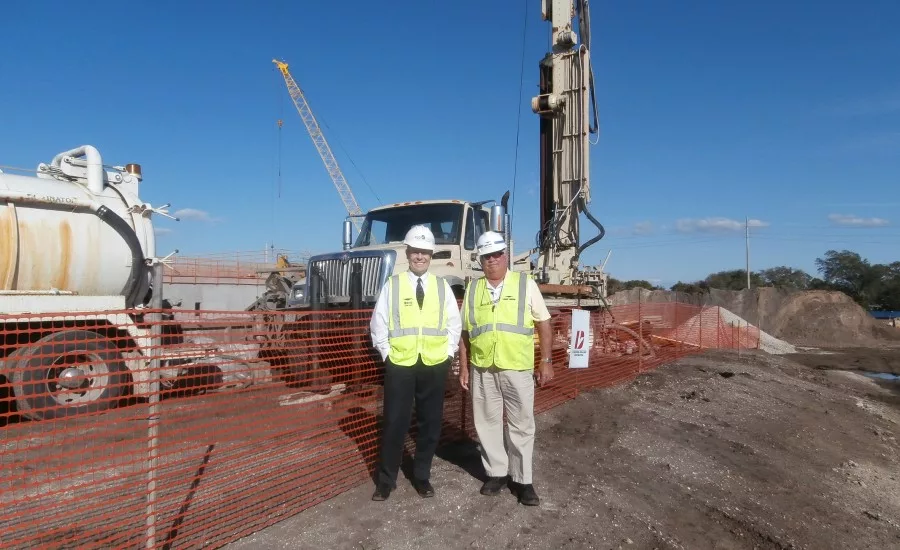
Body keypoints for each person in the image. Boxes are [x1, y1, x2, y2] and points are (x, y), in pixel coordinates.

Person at [457, 231, 554, 506]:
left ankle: (522, 480)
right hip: (483, 367)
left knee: (521, 424)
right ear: (481, 260)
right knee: (486, 423)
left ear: (506, 255)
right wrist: (464, 367)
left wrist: (546, 362)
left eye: (497, 254)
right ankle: (496, 473)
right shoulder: (473, 288)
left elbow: (543, 323)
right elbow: (466, 333)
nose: (492, 260)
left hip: (517, 367)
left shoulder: (525, 284)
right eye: (487, 256)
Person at [369, 225, 462, 501]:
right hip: (400, 363)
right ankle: (386, 480)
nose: (419, 256)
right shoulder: (393, 285)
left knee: (430, 423)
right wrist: (386, 353)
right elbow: (379, 323)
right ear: (408, 253)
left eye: (424, 252)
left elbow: (453, 325)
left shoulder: (442, 286)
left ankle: (422, 476)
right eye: (415, 251)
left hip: (433, 364)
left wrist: (447, 354)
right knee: (395, 423)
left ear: (430, 255)